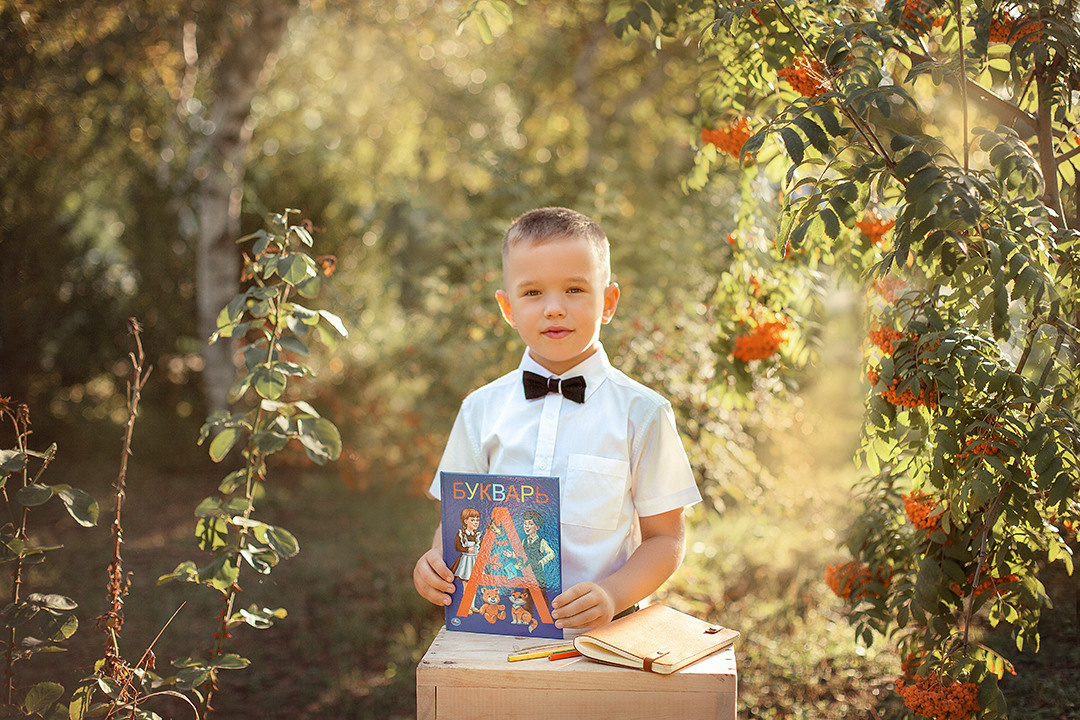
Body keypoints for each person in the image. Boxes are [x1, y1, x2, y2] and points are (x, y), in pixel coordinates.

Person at [412, 207, 701, 630]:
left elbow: (665, 538)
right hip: (493, 630)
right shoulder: (480, 409)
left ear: (609, 302)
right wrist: (435, 563)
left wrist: (612, 594)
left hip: (604, 636)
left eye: (574, 289)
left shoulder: (644, 413)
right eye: (532, 294)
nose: (553, 309)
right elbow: (456, 524)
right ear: (507, 307)